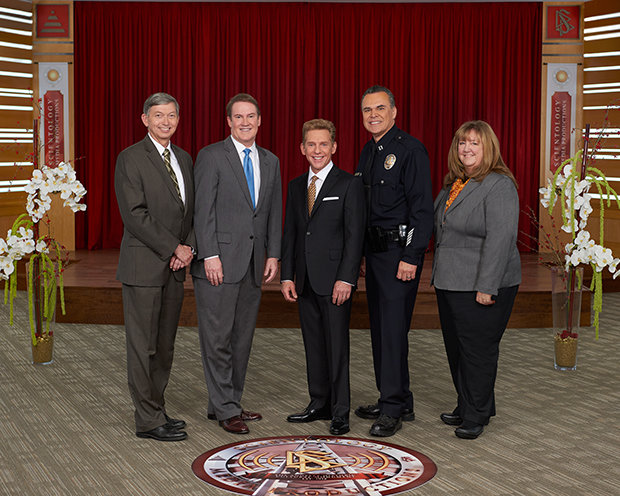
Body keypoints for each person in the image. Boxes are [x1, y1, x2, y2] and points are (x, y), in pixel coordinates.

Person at [191, 93, 282, 435]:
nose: (245, 122)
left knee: (241, 339)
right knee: (217, 338)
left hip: (254, 263)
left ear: (260, 121)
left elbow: (273, 212)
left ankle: (226, 402)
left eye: (251, 116)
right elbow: (203, 210)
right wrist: (209, 255)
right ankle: (226, 408)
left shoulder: (270, 161)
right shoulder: (212, 156)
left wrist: (273, 253)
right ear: (228, 121)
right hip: (218, 262)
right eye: (238, 117)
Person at [432, 120, 521, 440]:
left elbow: (501, 239)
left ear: (488, 148)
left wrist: (487, 286)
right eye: (462, 142)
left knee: (477, 351)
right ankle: (468, 403)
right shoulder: (455, 183)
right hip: (451, 280)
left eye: (474, 143)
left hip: (483, 282)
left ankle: (476, 414)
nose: (466, 148)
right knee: (457, 349)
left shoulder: (499, 184)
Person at [115, 92, 195, 442]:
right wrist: (173, 246)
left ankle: (157, 409)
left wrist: (187, 248)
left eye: (172, 115)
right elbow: (134, 215)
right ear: (145, 119)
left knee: (164, 346)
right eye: (158, 115)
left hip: (175, 266)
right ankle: (147, 420)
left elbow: (191, 211)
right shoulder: (130, 158)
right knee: (143, 346)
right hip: (144, 266)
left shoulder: (184, 158)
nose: (166, 121)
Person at [354, 85, 434, 437]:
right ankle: (398, 397)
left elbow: (422, 210)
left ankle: (391, 409)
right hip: (375, 254)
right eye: (367, 110)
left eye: (380, 108)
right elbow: (364, 209)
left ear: (394, 112)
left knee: (392, 330)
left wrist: (411, 256)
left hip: (398, 254)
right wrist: (360, 254)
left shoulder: (410, 150)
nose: (373, 115)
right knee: (382, 329)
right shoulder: (368, 152)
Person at [281, 119, 365, 436]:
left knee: (336, 347)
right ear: (302, 148)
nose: (318, 150)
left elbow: (355, 236)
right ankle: (319, 403)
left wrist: (347, 278)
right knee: (313, 345)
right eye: (311, 144)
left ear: (334, 147)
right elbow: (290, 234)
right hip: (304, 279)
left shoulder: (349, 184)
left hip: (335, 282)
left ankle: (340, 411)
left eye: (324, 144)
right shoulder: (295, 186)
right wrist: (287, 276)